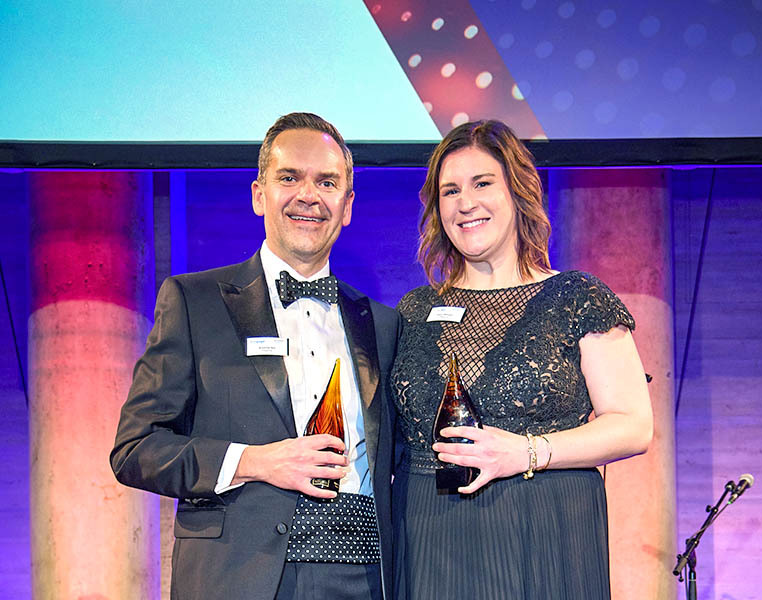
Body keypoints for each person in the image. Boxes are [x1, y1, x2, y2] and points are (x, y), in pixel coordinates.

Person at [111, 112, 401, 600]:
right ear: (258, 194)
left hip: (362, 577)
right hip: (237, 576)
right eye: (290, 177)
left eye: (327, 182)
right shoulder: (193, 301)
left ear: (347, 205)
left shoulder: (384, 323)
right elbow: (135, 450)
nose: (308, 195)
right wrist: (255, 461)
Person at [390, 119, 653, 599]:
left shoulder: (576, 295)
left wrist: (525, 452)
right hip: (429, 534)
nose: (465, 202)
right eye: (450, 191)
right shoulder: (414, 309)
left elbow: (634, 425)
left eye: (482, 183)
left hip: (544, 529)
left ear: (518, 193)